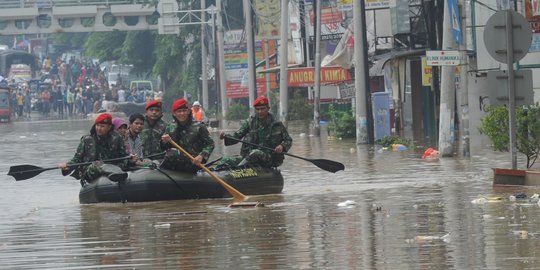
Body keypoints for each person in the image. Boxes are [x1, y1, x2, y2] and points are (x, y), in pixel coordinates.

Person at [58, 113, 137, 185]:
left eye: (102, 126)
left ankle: (117, 174)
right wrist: (68, 166)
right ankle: (114, 172)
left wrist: (130, 159)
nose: (99, 128)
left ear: (109, 127)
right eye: (97, 125)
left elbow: (123, 156)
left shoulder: (117, 138)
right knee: (96, 164)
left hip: (114, 166)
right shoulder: (87, 139)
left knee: (121, 165)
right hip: (91, 170)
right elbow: (77, 159)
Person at [219, 96, 292, 167]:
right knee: (226, 160)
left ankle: (239, 168)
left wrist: (282, 146)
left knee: (255, 153)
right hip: (248, 157)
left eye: (262, 109)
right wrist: (226, 136)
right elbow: (236, 137)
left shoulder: (277, 124)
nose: (260, 111)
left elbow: (288, 140)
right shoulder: (250, 122)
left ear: (268, 109)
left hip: (270, 159)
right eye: (257, 109)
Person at [160, 99, 215, 173]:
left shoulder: (199, 126)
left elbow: (210, 144)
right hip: (174, 162)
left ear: (189, 111)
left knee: (172, 153)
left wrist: (201, 156)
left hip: (193, 161)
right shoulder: (170, 127)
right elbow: (164, 147)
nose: (182, 113)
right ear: (174, 113)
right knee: (170, 153)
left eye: (184, 110)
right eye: (179, 111)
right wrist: (164, 141)